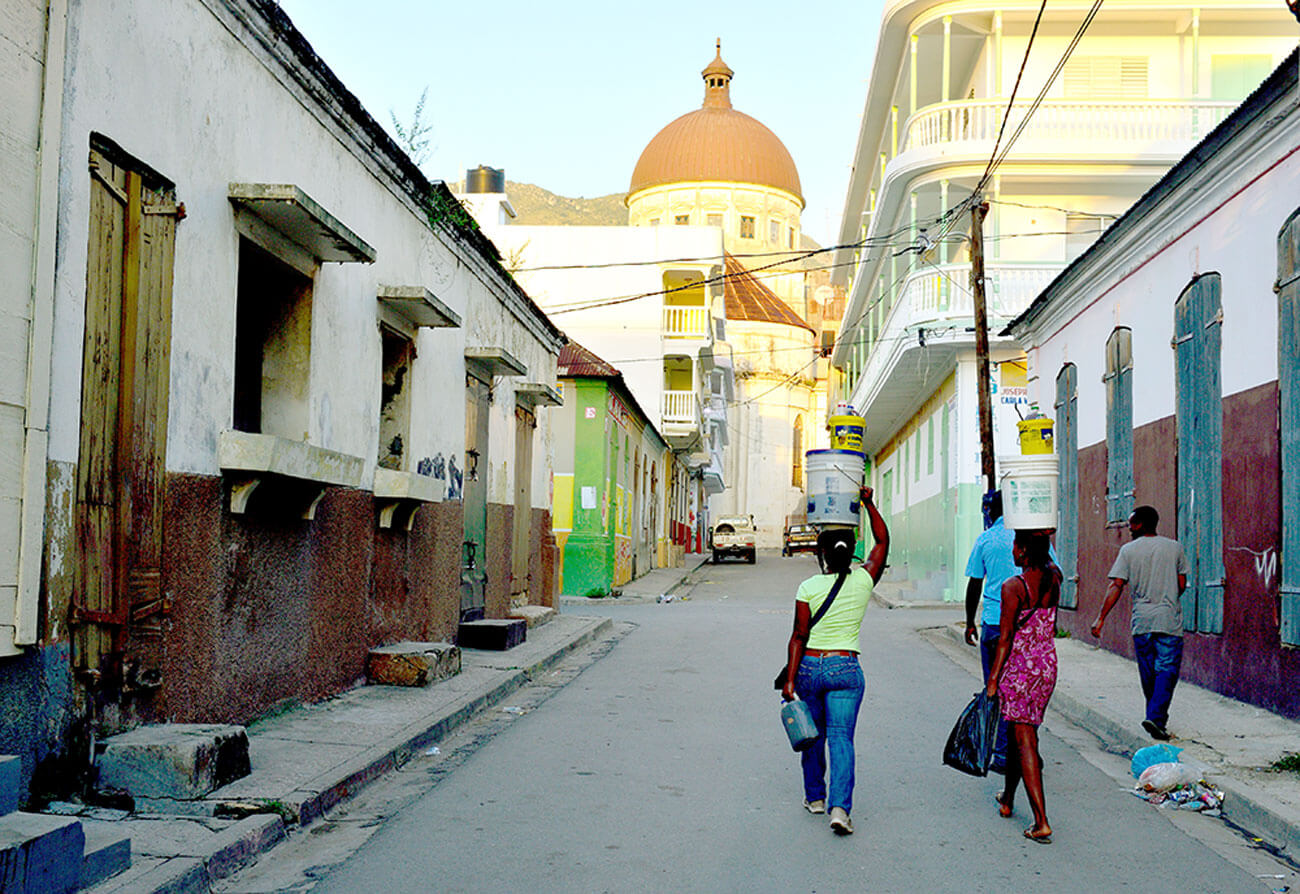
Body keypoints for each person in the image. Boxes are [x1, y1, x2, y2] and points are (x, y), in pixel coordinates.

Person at [780, 486, 888, 836]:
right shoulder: (864, 579)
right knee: (842, 738)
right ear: (852, 550)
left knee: (813, 735)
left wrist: (791, 680)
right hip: (845, 668)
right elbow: (883, 543)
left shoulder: (807, 587)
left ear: (821, 553)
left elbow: (799, 636)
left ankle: (814, 797)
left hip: (810, 667)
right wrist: (869, 503)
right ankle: (839, 809)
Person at [985, 530, 1061, 844]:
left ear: (1025, 550)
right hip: (1046, 665)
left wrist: (992, 680)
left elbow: (1004, 639)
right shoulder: (1054, 578)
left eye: (1017, 545)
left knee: (1025, 738)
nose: (1013, 551)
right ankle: (1008, 799)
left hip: (1020, 669)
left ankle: (1041, 821)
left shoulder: (1013, 587)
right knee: (1022, 732)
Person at [1090, 505, 1189, 741]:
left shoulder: (1128, 551)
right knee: (1167, 670)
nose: (1129, 529)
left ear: (1143, 524)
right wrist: (1167, 599)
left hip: (1142, 621)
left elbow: (1116, 585)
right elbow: (1182, 584)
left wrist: (1101, 618)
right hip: (1168, 620)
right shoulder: (1174, 547)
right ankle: (1156, 718)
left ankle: (1154, 717)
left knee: (1148, 673)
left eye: (1132, 524)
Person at [963, 491, 1015, 772]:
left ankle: (1002, 751)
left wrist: (970, 620)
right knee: (1020, 688)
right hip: (1024, 626)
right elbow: (1053, 571)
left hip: (994, 624)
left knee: (995, 686)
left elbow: (975, 583)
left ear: (990, 511)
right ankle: (1022, 747)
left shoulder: (986, 539)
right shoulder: (1030, 536)